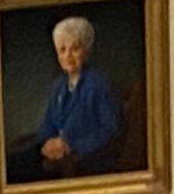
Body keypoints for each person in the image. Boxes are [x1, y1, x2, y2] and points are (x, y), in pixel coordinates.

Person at [6, 14, 121, 183]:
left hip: (80, 158)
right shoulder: (58, 86)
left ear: (86, 51)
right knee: (12, 161)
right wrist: (47, 143)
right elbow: (48, 125)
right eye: (62, 49)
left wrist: (71, 146)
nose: (68, 56)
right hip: (53, 154)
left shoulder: (98, 83)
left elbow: (109, 129)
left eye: (74, 49)